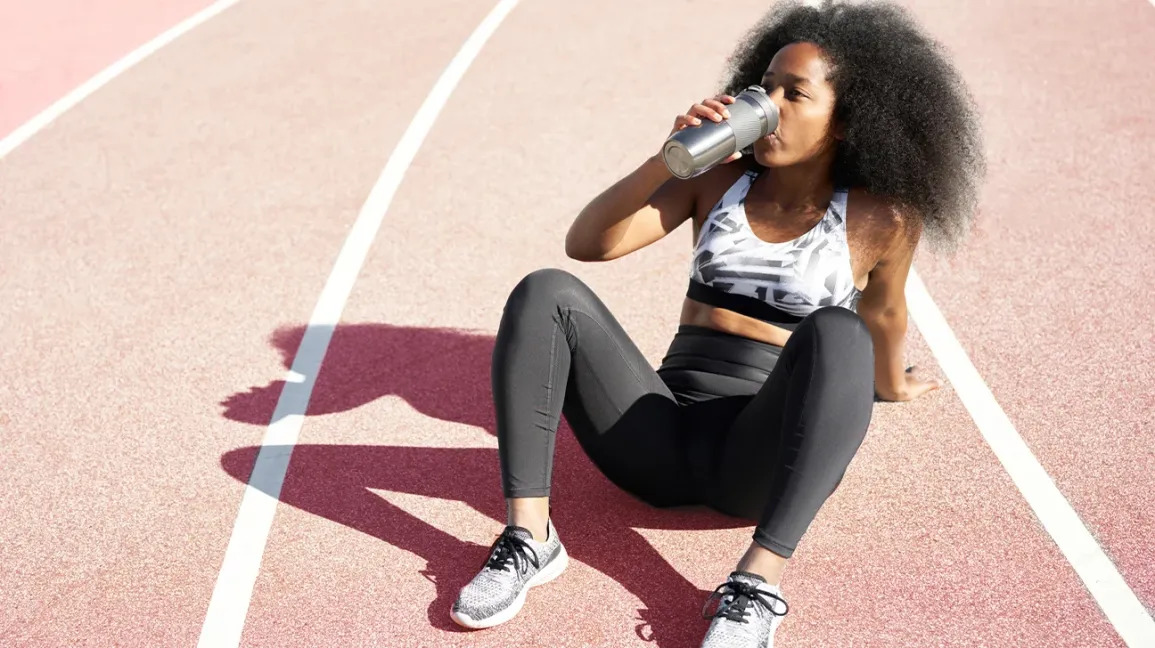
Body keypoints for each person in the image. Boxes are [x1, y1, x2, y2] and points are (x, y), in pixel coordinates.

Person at [449, 0, 985, 645]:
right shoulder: (719, 182)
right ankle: (530, 538)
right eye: (765, 88)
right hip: (657, 440)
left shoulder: (882, 218)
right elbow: (588, 244)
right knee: (547, 292)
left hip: (756, 464)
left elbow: (885, 310)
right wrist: (666, 161)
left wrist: (891, 384)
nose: (770, 105)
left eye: (797, 94)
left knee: (840, 331)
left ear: (845, 122)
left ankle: (756, 583)